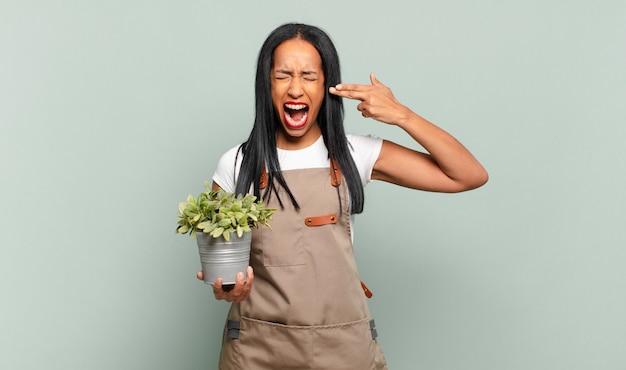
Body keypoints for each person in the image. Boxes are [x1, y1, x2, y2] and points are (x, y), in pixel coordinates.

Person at [198, 23, 488, 369]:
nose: (295, 88)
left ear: (326, 85)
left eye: (308, 76)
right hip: (257, 349)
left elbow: (468, 175)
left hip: (343, 347)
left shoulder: (354, 153)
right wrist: (228, 288)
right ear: (266, 84)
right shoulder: (237, 163)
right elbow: (221, 270)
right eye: (283, 75)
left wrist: (401, 115)